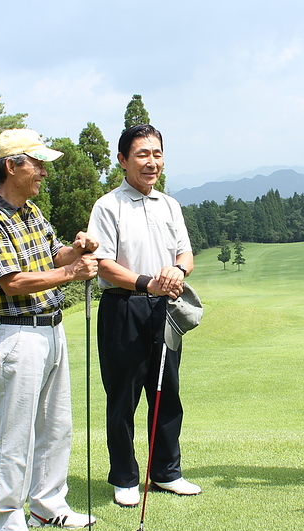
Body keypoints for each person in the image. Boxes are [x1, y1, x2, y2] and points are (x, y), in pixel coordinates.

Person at [0, 128, 99, 531]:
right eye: (37, 163)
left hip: (52, 328)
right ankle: (6, 524)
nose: (44, 170)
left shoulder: (30, 211)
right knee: (14, 434)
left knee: (56, 425)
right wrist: (71, 273)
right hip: (18, 333)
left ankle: (47, 505)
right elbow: (12, 282)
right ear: (12, 166)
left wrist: (75, 249)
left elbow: (52, 253)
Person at [87, 124, 199, 508]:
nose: (151, 162)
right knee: (123, 397)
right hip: (123, 306)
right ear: (122, 160)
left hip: (164, 308)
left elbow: (185, 254)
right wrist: (147, 283)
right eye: (142, 155)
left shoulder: (169, 205)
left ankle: (167, 472)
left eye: (157, 154)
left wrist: (178, 272)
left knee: (166, 393)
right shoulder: (108, 205)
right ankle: (124, 477)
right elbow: (102, 264)